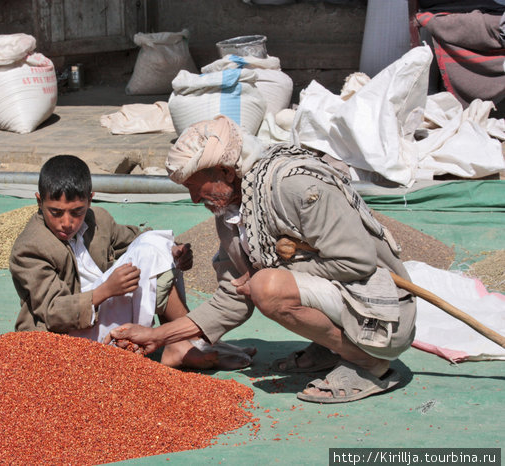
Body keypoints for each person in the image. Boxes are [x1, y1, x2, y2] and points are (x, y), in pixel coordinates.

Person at [106, 116, 417, 403]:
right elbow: (233, 296)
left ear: (226, 171)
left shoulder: (294, 186)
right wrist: (157, 336)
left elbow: (357, 262)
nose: (194, 199)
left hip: (380, 312)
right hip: (342, 301)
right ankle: (332, 347)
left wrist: (267, 274)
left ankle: (369, 362)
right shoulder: (231, 209)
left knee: (268, 286)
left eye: (193, 186)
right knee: (264, 283)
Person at [9, 154, 251, 369]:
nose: (67, 222)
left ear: (90, 200)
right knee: (152, 250)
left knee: (157, 246)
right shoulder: (31, 247)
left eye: (77, 211)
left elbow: (138, 240)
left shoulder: (96, 221)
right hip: (65, 340)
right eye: (56, 212)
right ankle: (189, 343)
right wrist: (105, 291)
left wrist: (175, 252)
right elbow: (52, 312)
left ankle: (183, 342)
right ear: (39, 201)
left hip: (103, 321)